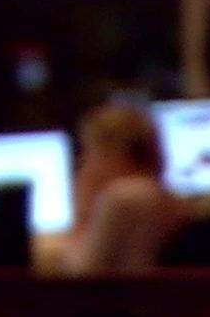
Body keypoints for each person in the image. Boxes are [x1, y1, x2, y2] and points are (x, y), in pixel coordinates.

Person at [60, 104, 191, 275]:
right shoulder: (160, 194)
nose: (85, 162)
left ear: (111, 152)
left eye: (89, 151)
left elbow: (80, 273)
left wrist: (83, 210)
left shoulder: (124, 197)